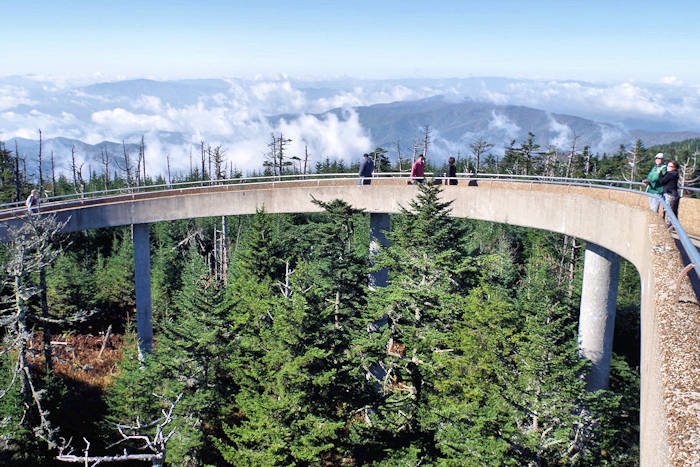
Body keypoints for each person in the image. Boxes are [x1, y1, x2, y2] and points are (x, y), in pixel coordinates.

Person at [658, 160, 679, 227]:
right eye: (668, 165)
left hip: (669, 194)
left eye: (671, 166)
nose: (668, 167)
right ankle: (671, 225)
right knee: (671, 210)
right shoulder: (674, 174)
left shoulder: (670, 174)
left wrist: (660, 173)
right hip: (673, 194)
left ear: (674, 168)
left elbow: (662, 181)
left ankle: (668, 225)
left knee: (668, 210)